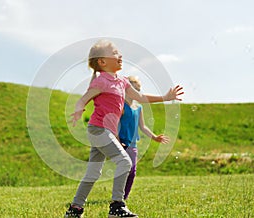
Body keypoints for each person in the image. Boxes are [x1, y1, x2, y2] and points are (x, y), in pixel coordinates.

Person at [65, 39, 184, 218]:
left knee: (93, 173)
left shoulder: (122, 81)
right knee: (125, 161)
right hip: (98, 129)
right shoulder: (101, 82)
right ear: (102, 62)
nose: (119, 55)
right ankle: (117, 206)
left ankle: (74, 210)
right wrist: (78, 109)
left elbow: (141, 97)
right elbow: (84, 98)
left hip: (106, 132)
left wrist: (165, 97)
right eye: (114, 53)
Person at [118, 76, 170, 201]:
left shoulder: (138, 107)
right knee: (125, 170)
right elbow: (115, 125)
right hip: (122, 143)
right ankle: (118, 197)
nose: (138, 93)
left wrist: (155, 137)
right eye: (135, 90)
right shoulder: (121, 106)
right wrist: (118, 142)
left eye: (139, 90)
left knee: (132, 171)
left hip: (133, 143)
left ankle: (123, 198)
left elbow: (143, 126)